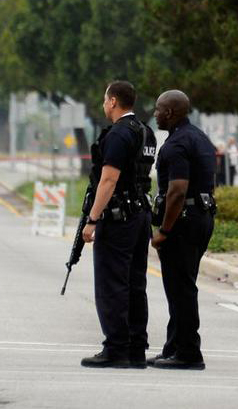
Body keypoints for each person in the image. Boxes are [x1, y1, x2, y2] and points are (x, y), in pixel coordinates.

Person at [80, 81, 156, 369]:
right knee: (136, 283)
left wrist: (92, 219)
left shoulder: (118, 134)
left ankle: (116, 348)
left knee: (112, 283)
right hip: (140, 216)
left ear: (113, 101)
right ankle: (136, 348)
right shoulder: (146, 132)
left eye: (104, 100)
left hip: (118, 217)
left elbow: (108, 180)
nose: (103, 104)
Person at [150, 90, 216, 370]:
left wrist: (164, 229)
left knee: (181, 288)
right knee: (180, 286)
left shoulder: (177, 144)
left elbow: (177, 191)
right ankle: (173, 347)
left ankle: (189, 353)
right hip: (202, 216)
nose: (155, 114)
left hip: (183, 221)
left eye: (158, 109)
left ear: (171, 112)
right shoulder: (200, 137)